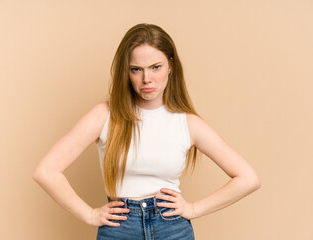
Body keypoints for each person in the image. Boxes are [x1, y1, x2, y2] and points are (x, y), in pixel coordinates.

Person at [33, 23, 261, 240]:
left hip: (172, 228)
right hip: (120, 228)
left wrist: (192, 208)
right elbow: (46, 171)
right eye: (136, 69)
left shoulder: (187, 123)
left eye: (155, 67)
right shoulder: (104, 116)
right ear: (127, 71)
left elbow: (248, 178)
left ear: (170, 66)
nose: (146, 79)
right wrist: (90, 214)